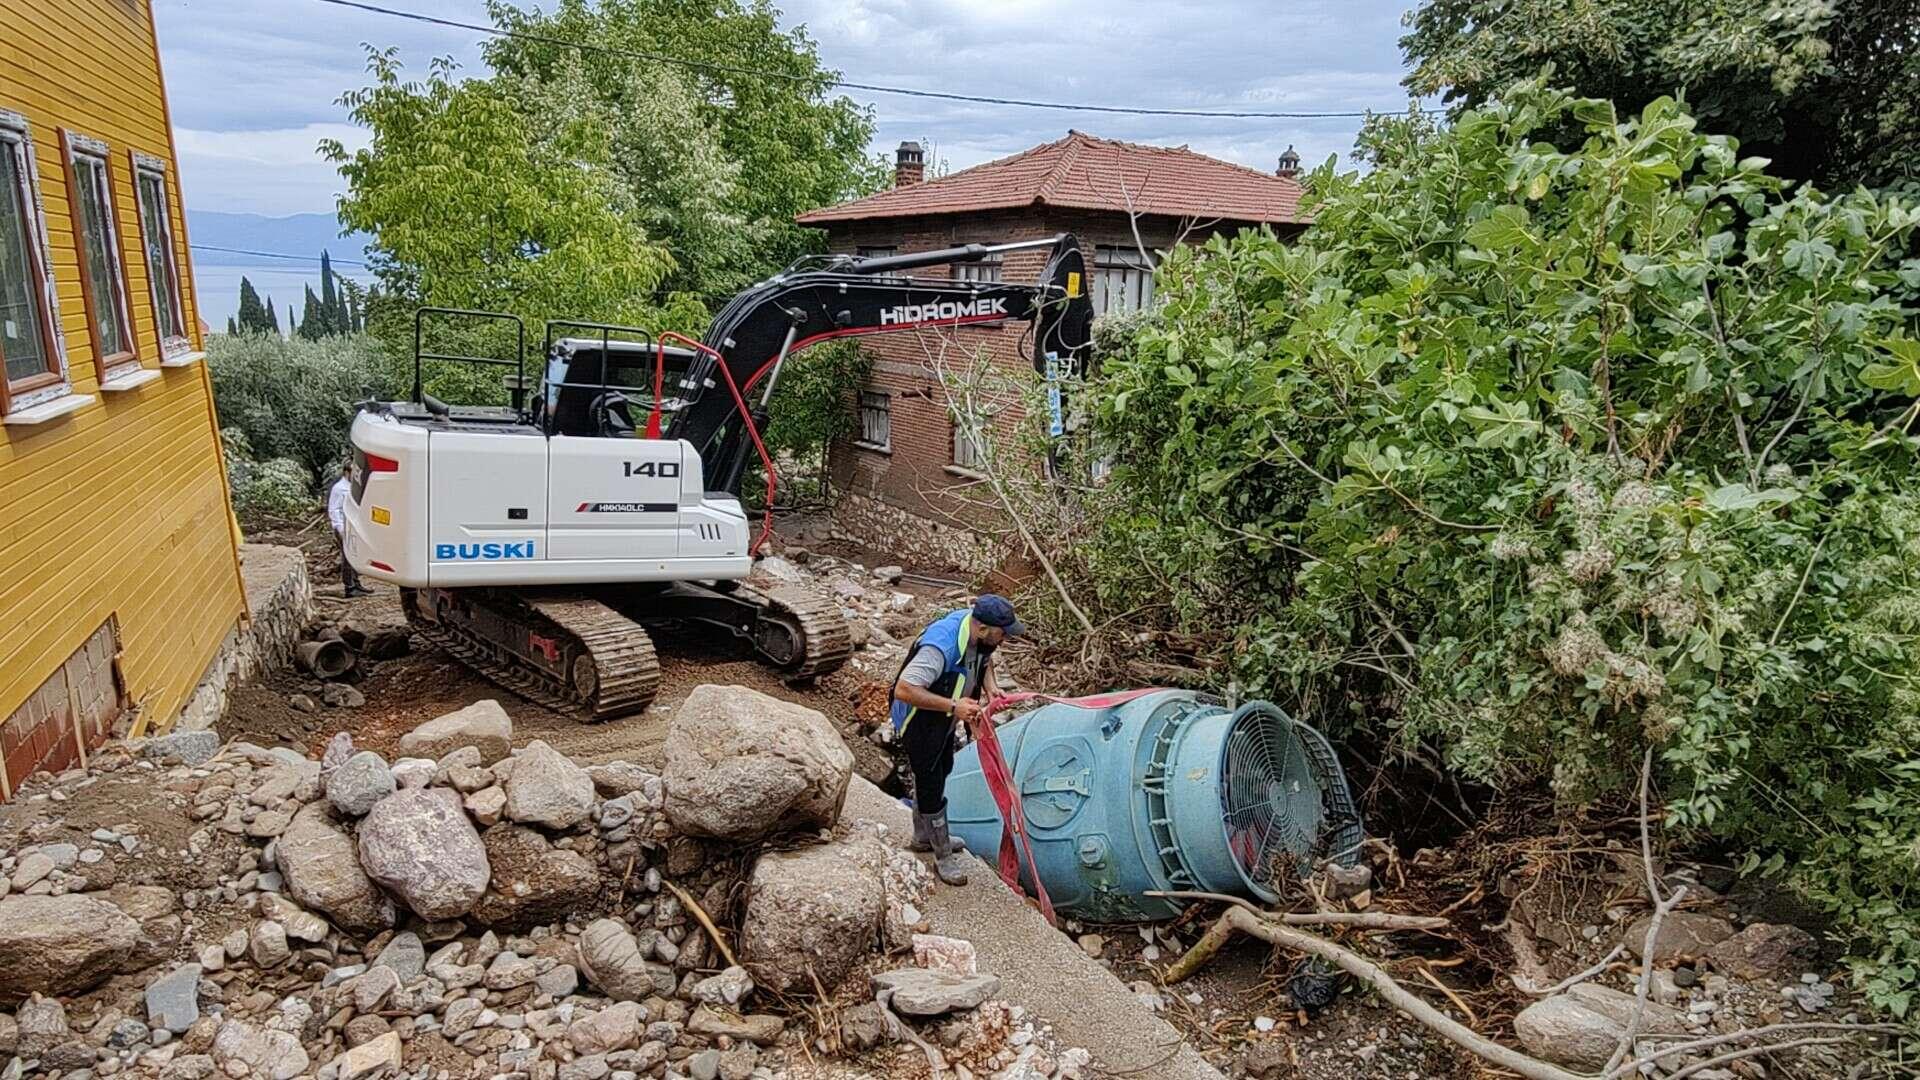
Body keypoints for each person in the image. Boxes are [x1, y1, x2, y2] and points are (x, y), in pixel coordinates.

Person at [889, 594, 1025, 885]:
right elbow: (904, 688)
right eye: (1002, 633)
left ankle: (922, 835)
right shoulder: (942, 647)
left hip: (945, 714)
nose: (1005, 639)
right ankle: (942, 856)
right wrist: (954, 707)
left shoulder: (979, 630)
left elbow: (984, 659)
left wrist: (991, 688)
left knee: (943, 767)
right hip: (920, 719)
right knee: (931, 783)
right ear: (984, 628)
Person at [327, 462, 370, 598]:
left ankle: (357, 584)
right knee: (347, 559)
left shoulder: (352, 487)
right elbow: (333, 510)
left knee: (354, 557)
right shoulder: (339, 489)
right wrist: (339, 528)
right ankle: (349, 588)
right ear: (347, 472)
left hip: (353, 527)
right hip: (343, 528)